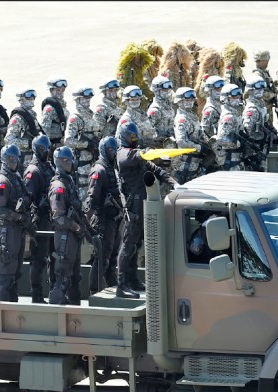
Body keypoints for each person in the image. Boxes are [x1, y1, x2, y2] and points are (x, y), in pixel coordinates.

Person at [115, 122, 178, 298]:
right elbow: (132, 157)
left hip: (142, 204)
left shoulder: (139, 156)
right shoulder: (123, 154)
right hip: (131, 207)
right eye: (132, 137)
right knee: (127, 245)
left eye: (136, 137)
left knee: (137, 244)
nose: (135, 140)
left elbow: (156, 170)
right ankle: (121, 284)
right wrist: (146, 152)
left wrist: (175, 184)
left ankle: (132, 278)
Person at [47, 146, 88, 305]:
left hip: (72, 235)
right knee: (63, 275)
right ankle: (57, 305)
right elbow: (58, 217)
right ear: (62, 162)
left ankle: (73, 304)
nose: (73, 163)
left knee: (74, 276)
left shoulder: (68, 181)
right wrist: (76, 227)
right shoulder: (58, 186)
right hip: (64, 235)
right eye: (69, 160)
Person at [84, 137, 123, 293]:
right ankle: (95, 291)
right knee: (102, 259)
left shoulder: (112, 168)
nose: (114, 153)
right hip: (103, 220)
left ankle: (112, 287)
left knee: (112, 258)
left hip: (114, 219)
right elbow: (91, 200)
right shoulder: (99, 170)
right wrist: (88, 227)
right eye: (111, 150)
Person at [0, 144, 30, 302]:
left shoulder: (16, 178)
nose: (14, 161)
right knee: (6, 275)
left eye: (16, 158)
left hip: (17, 230)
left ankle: (12, 308)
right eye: (11, 158)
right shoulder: (2, 181)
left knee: (15, 274)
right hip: (7, 232)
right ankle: (1, 312)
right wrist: (18, 216)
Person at [24, 135, 55, 303]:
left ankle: (54, 291)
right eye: (43, 149)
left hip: (51, 217)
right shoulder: (33, 171)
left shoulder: (48, 167)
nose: (46, 152)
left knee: (55, 256)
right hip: (39, 219)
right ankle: (36, 295)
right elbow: (27, 199)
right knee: (39, 259)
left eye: (47, 149)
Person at [64, 86, 101, 203]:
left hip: (93, 159)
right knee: (83, 191)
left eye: (89, 98)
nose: (87, 101)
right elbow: (68, 140)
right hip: (81, 162)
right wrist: (86, 144)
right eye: (84, 99)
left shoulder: (91, 115)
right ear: (78, 100)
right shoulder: (75, 118)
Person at [173, 87, 211, 183]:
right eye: (186, 100)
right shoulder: (182, 119)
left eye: (191, 100)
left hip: (196, 161)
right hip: (187, 163)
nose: (189, 102)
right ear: (179, 101)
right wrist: (199, 147)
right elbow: (181, 142)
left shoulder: (191, 116)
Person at [5, 87, 42, 166]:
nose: (32, 98)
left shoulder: (32, 115)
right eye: (28, 97)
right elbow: (9, 140)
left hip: (33, 157)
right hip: (22, 158)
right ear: (21, 99)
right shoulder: (17, 118)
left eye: (33, 96)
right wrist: (28, 143)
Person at [242, 76, 272, 172]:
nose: (261, 91)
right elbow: (247, 132)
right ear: (250, 91)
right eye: (257, 89)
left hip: (261, 147)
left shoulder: (260, 105)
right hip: (255, 149)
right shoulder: (252, 109)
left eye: (262, 89)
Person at [216, 83, 246, 172]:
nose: (237, 100)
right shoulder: (228, 116)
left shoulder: (235, 114)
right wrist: (239, 144)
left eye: (238, 97)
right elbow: (221, 139)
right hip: (230, 159)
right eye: (233, 97)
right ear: (225, 99)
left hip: (236, 159)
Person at [40, 77, 69, 149]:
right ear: (51, 90)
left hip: (63, 144)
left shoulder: (62, 105)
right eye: (58, 90)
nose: (61, 92)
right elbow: (45, 130)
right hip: (55, 146)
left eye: (62, 90)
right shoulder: (49, 108)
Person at [146, 75, 176, 147]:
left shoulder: (168, 105)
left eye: (169, 89)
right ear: (157, 90)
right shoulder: (155, 110)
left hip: (171, 143)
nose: (168, 91)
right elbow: (148, 132)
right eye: (165, 90)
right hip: (159, 146)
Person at [252, 50, 277, 126]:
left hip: (267, 107)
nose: (267, 62)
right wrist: (274, 95)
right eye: (264, 60)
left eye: (267, 60)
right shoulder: (257, 75)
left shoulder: (265, 73)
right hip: (262, 108)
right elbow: (259, 93)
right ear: (258, 61)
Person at [200, 75, 225, 140]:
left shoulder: (222, 104)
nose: (220, 91)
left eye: (221, 89)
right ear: (210, 90)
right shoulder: (210, 109)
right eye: (217, 89)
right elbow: (204, 132)